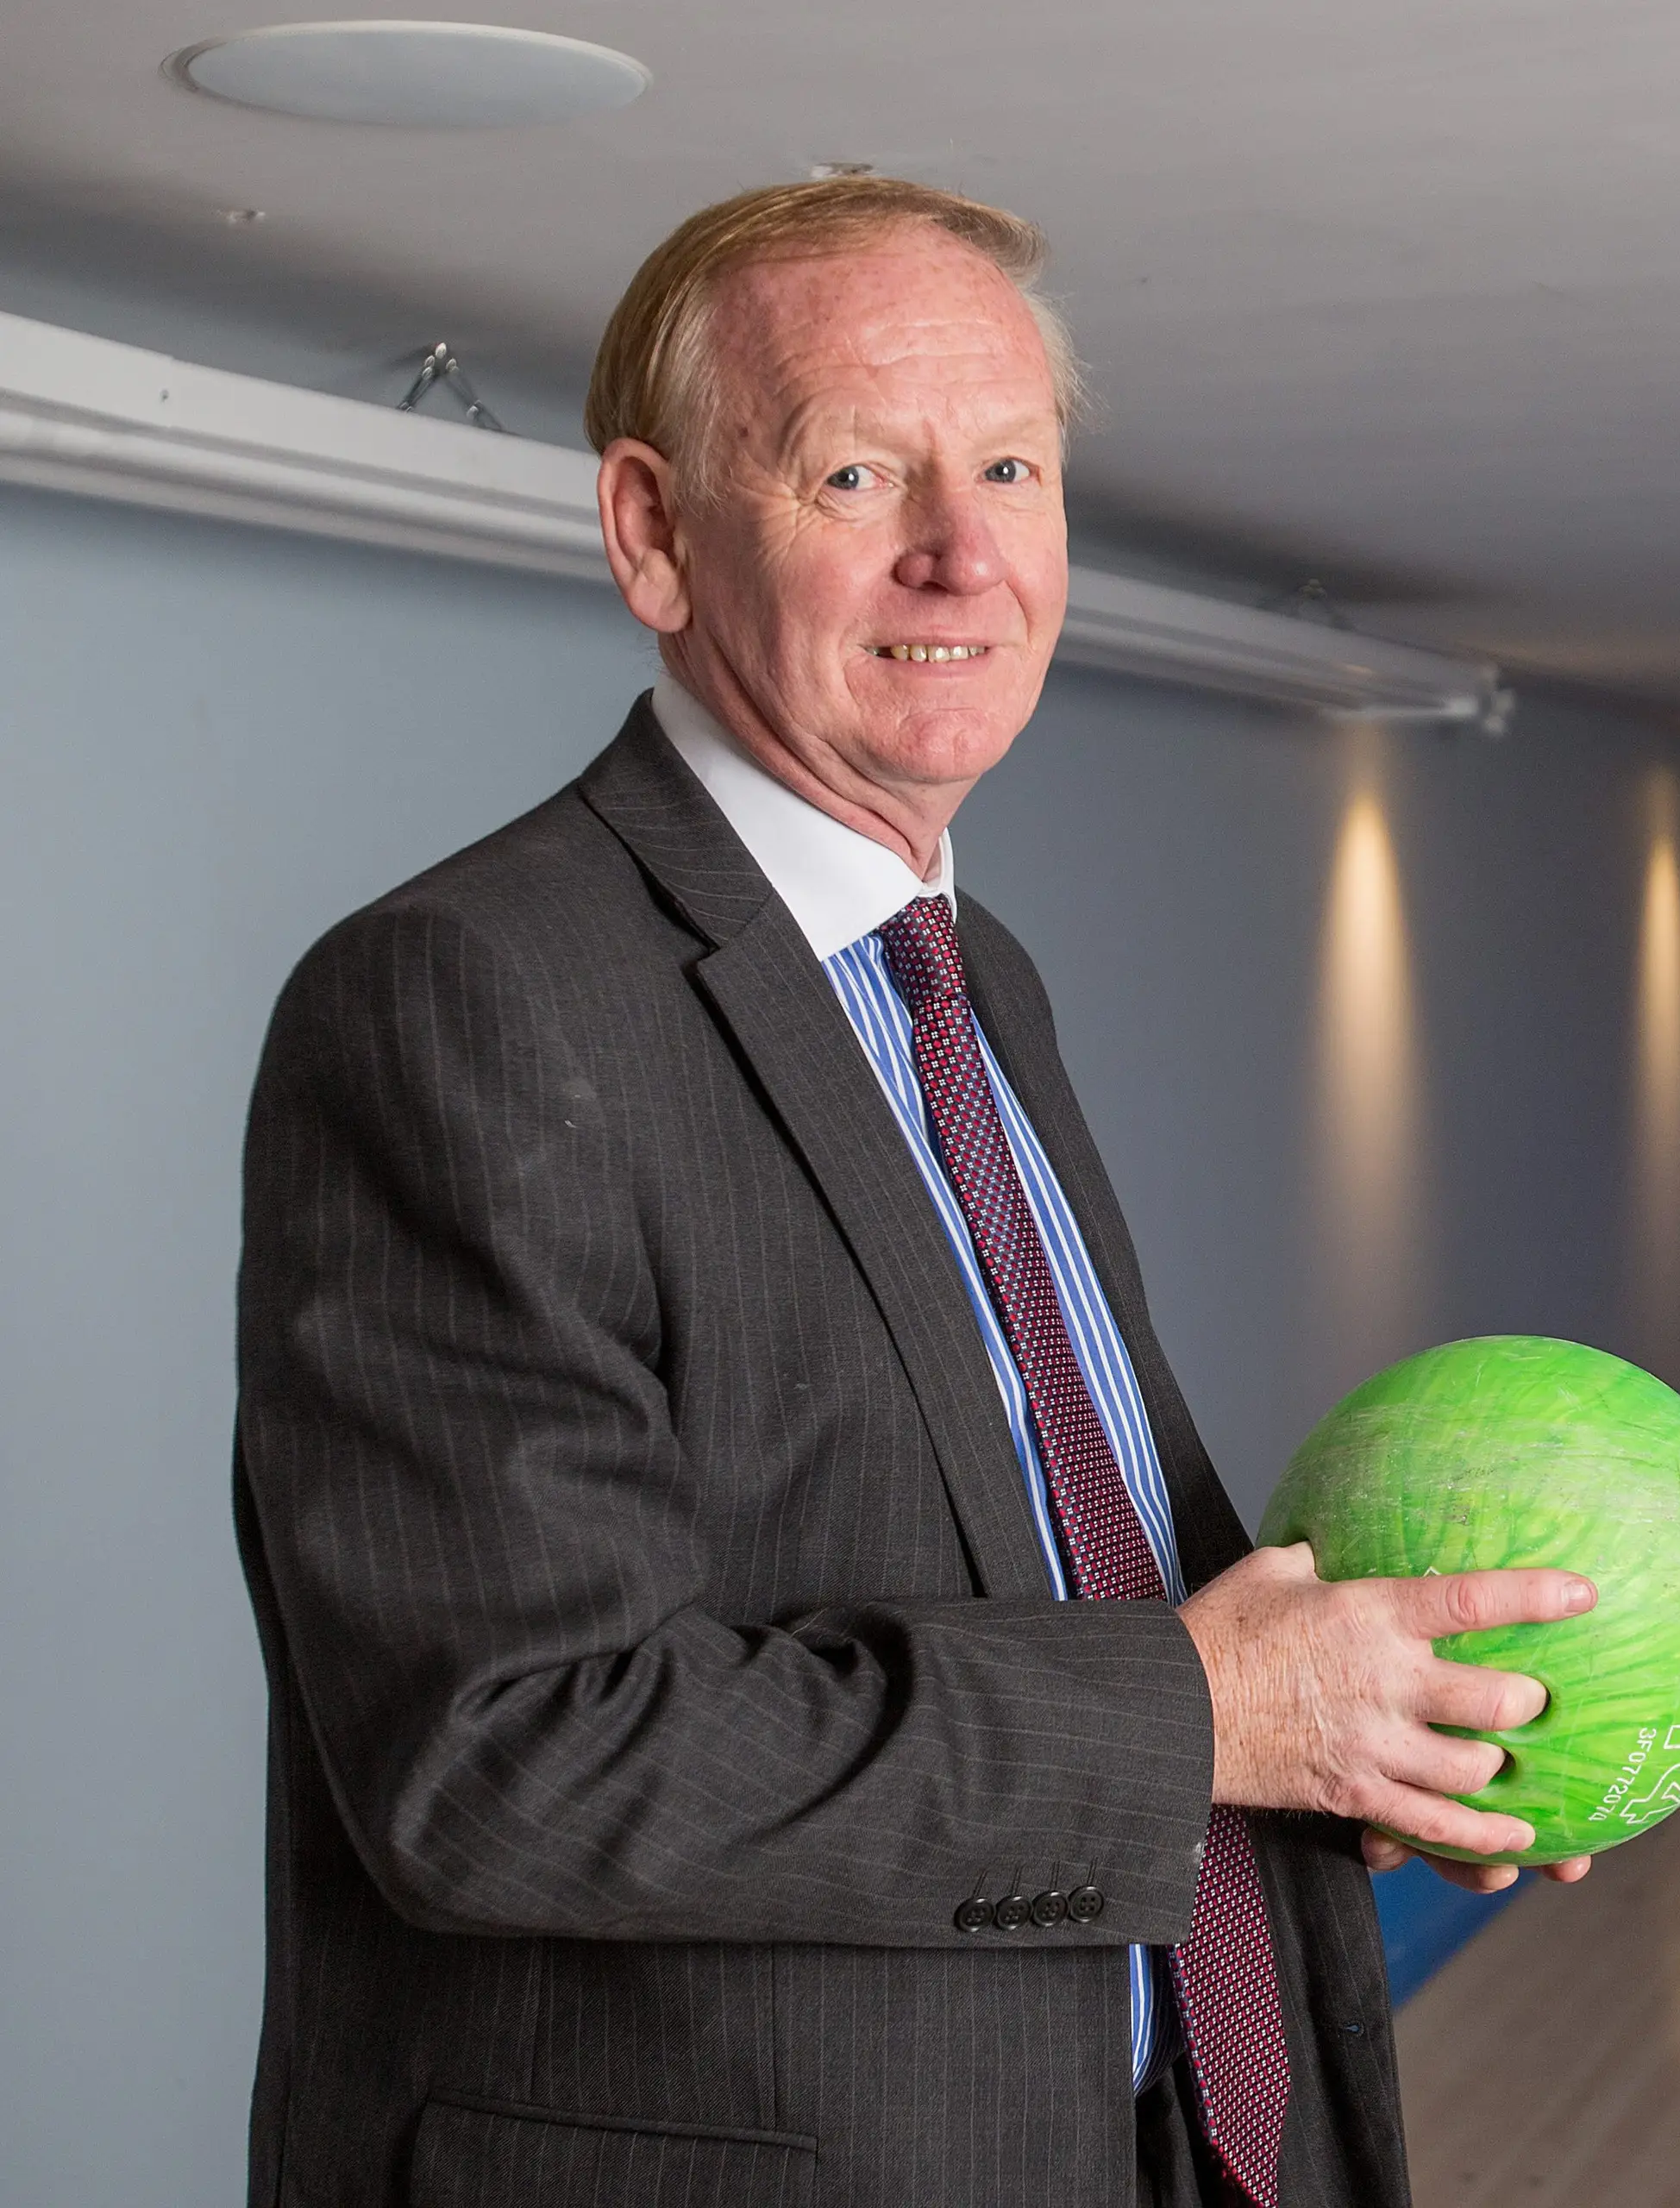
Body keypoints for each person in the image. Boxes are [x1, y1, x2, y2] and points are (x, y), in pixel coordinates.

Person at [234, 177, 1589, 2208]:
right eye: (859, 469)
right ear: (653, 533)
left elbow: (1055, 1569)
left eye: (1013, 464)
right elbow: (503, 1754)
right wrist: (1205, 1718)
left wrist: (1359, 1739)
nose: (962, 548)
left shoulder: (969, 975)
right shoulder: (465, 997)